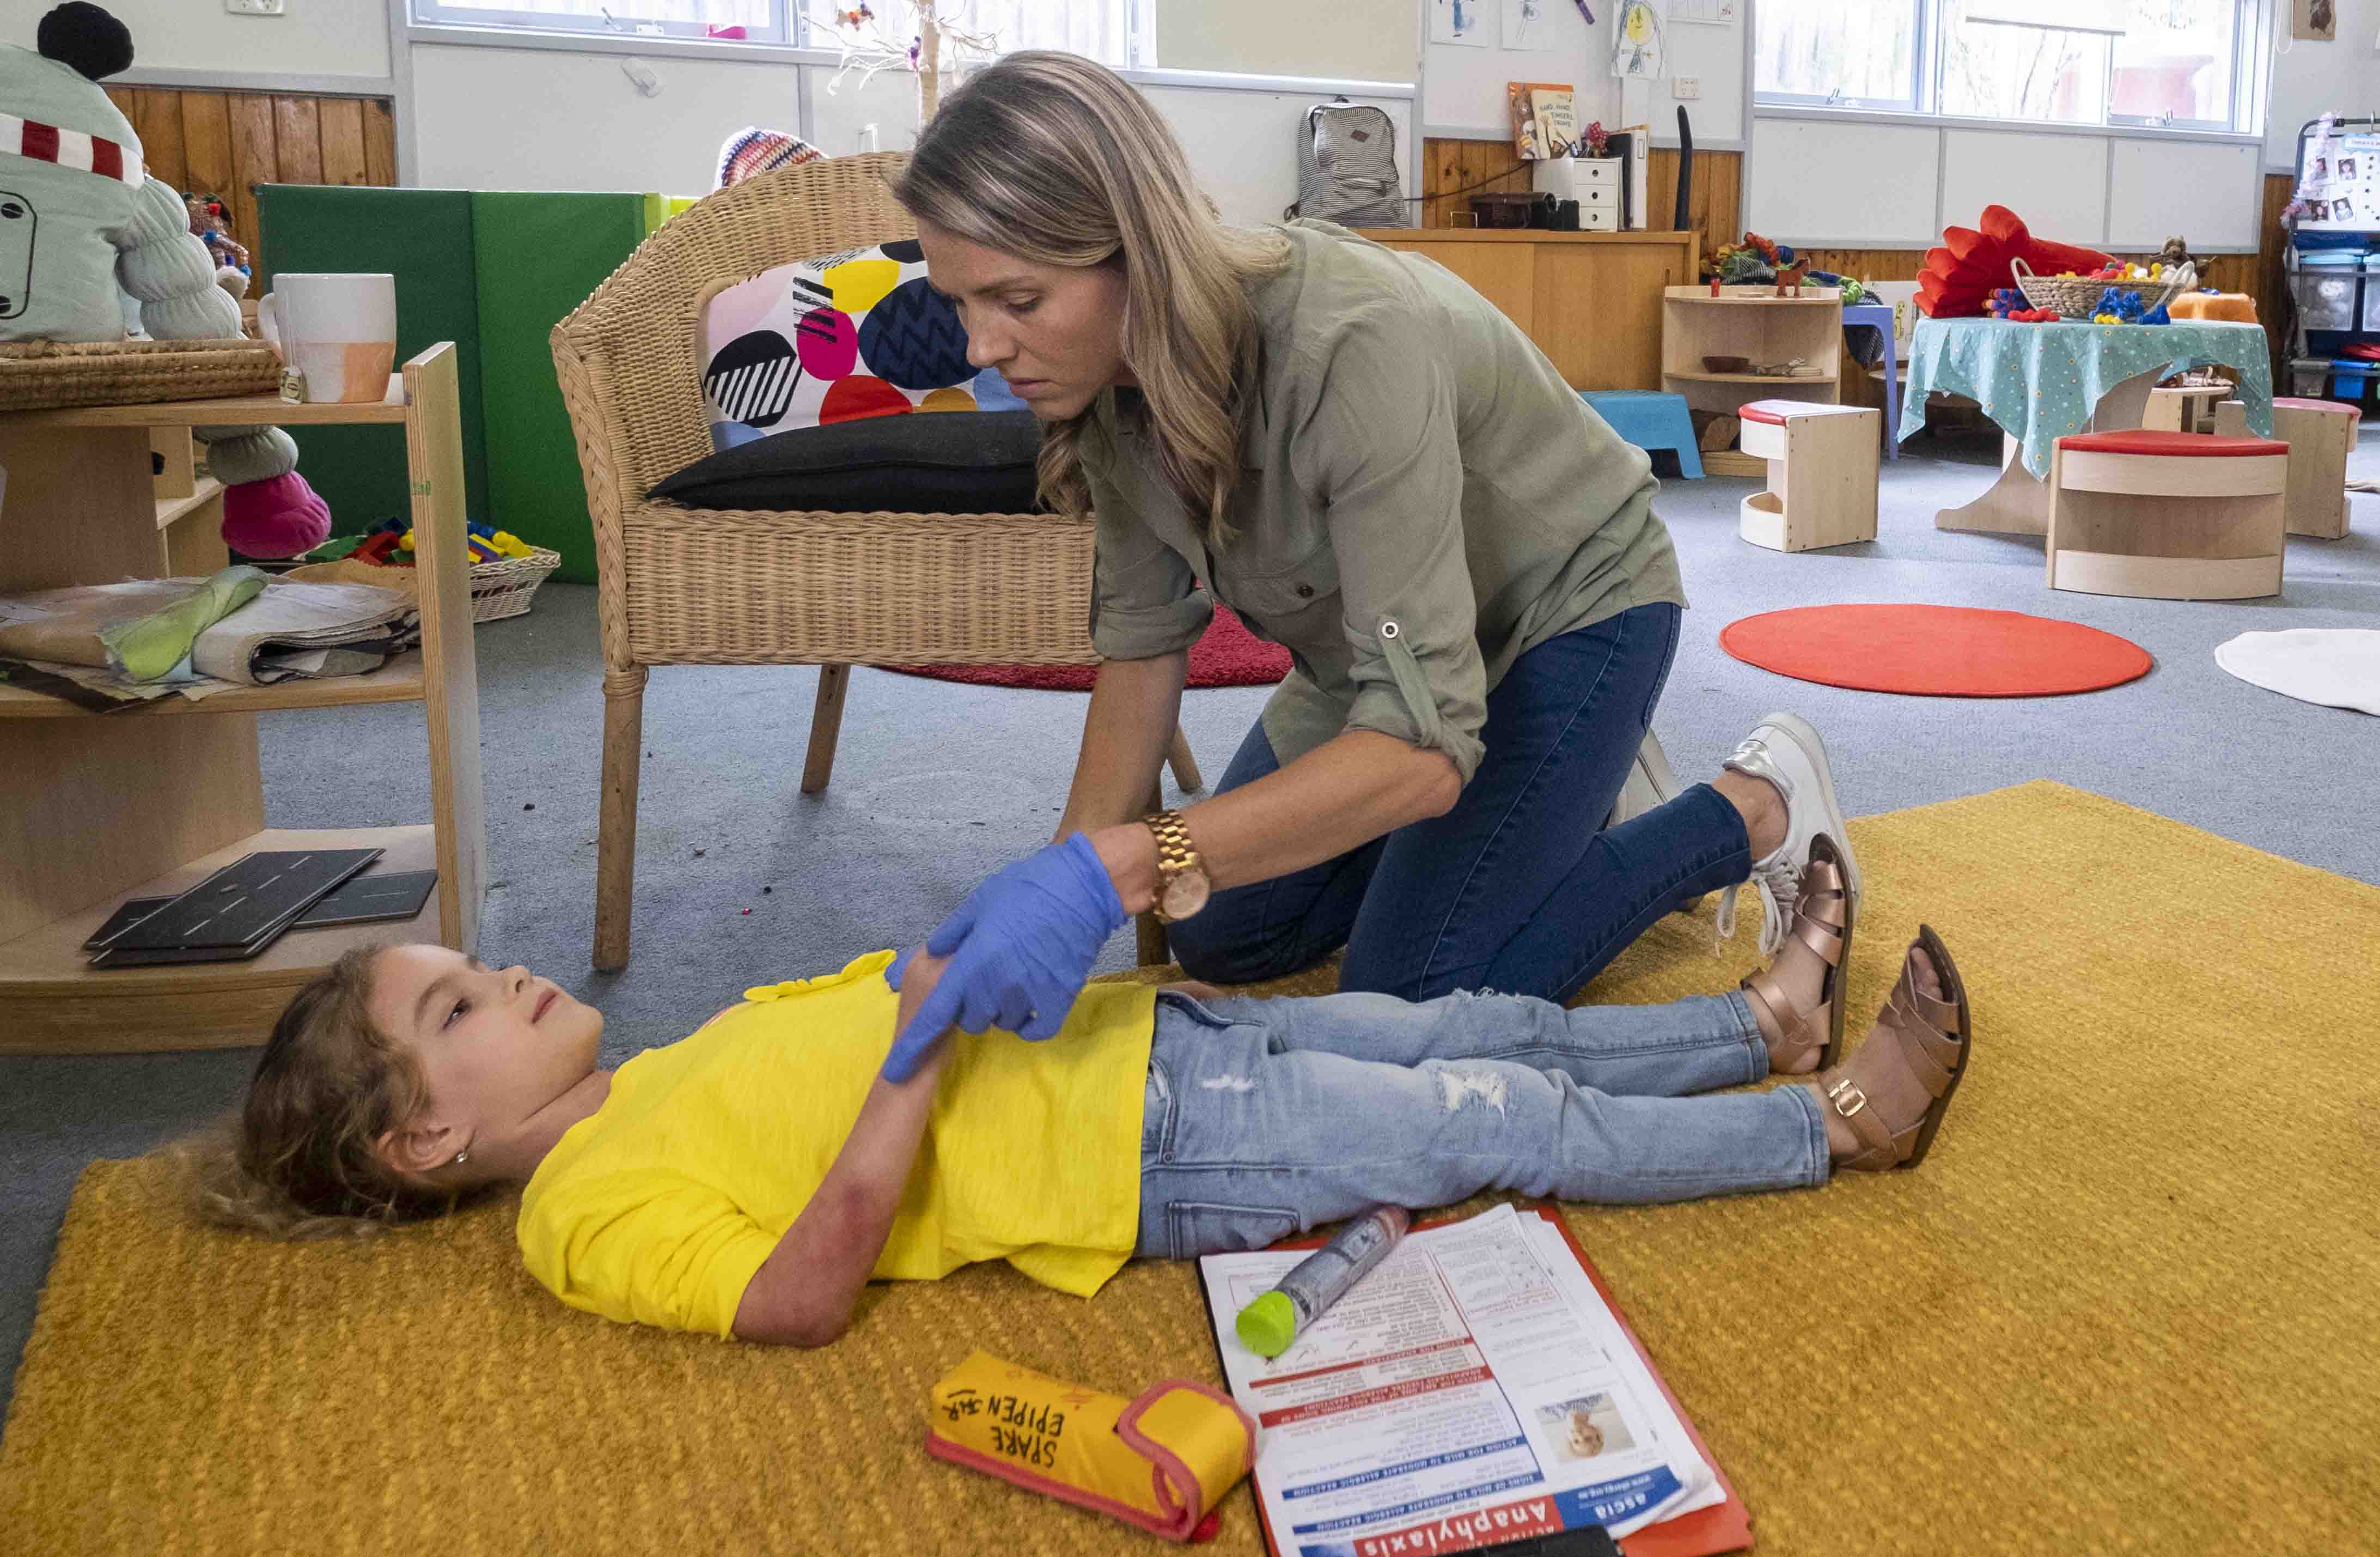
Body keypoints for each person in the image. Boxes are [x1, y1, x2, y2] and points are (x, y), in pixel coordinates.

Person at [881, 53, 1855, 1079]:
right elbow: (1139, 659)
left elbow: (1419, 754)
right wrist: (1057, 889)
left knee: (1411, 997)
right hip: (1386, 650)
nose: (982, 345)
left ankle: (1749, 808)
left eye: (1018, 299)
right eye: (960, 303)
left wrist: (1131, 859)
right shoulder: (1103, 389)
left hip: (1566, 609)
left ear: (1139, 256)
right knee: (1218, 930)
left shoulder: (1349, 341)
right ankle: (1537, 816)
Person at [179, 843, 1973, 1349]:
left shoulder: (655, 1065)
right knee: (1485, 1122)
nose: (510, 976)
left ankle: (1758, 1029)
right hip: (1145, 1162)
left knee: (1469, 1024)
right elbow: (803, 1289)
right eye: (464, 1005)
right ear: (425, 1136)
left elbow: (908, 1008)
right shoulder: (575, 1218)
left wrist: (1039, 974)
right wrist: (924, 1043)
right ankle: (1827, 1128)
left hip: (1160, 1049)